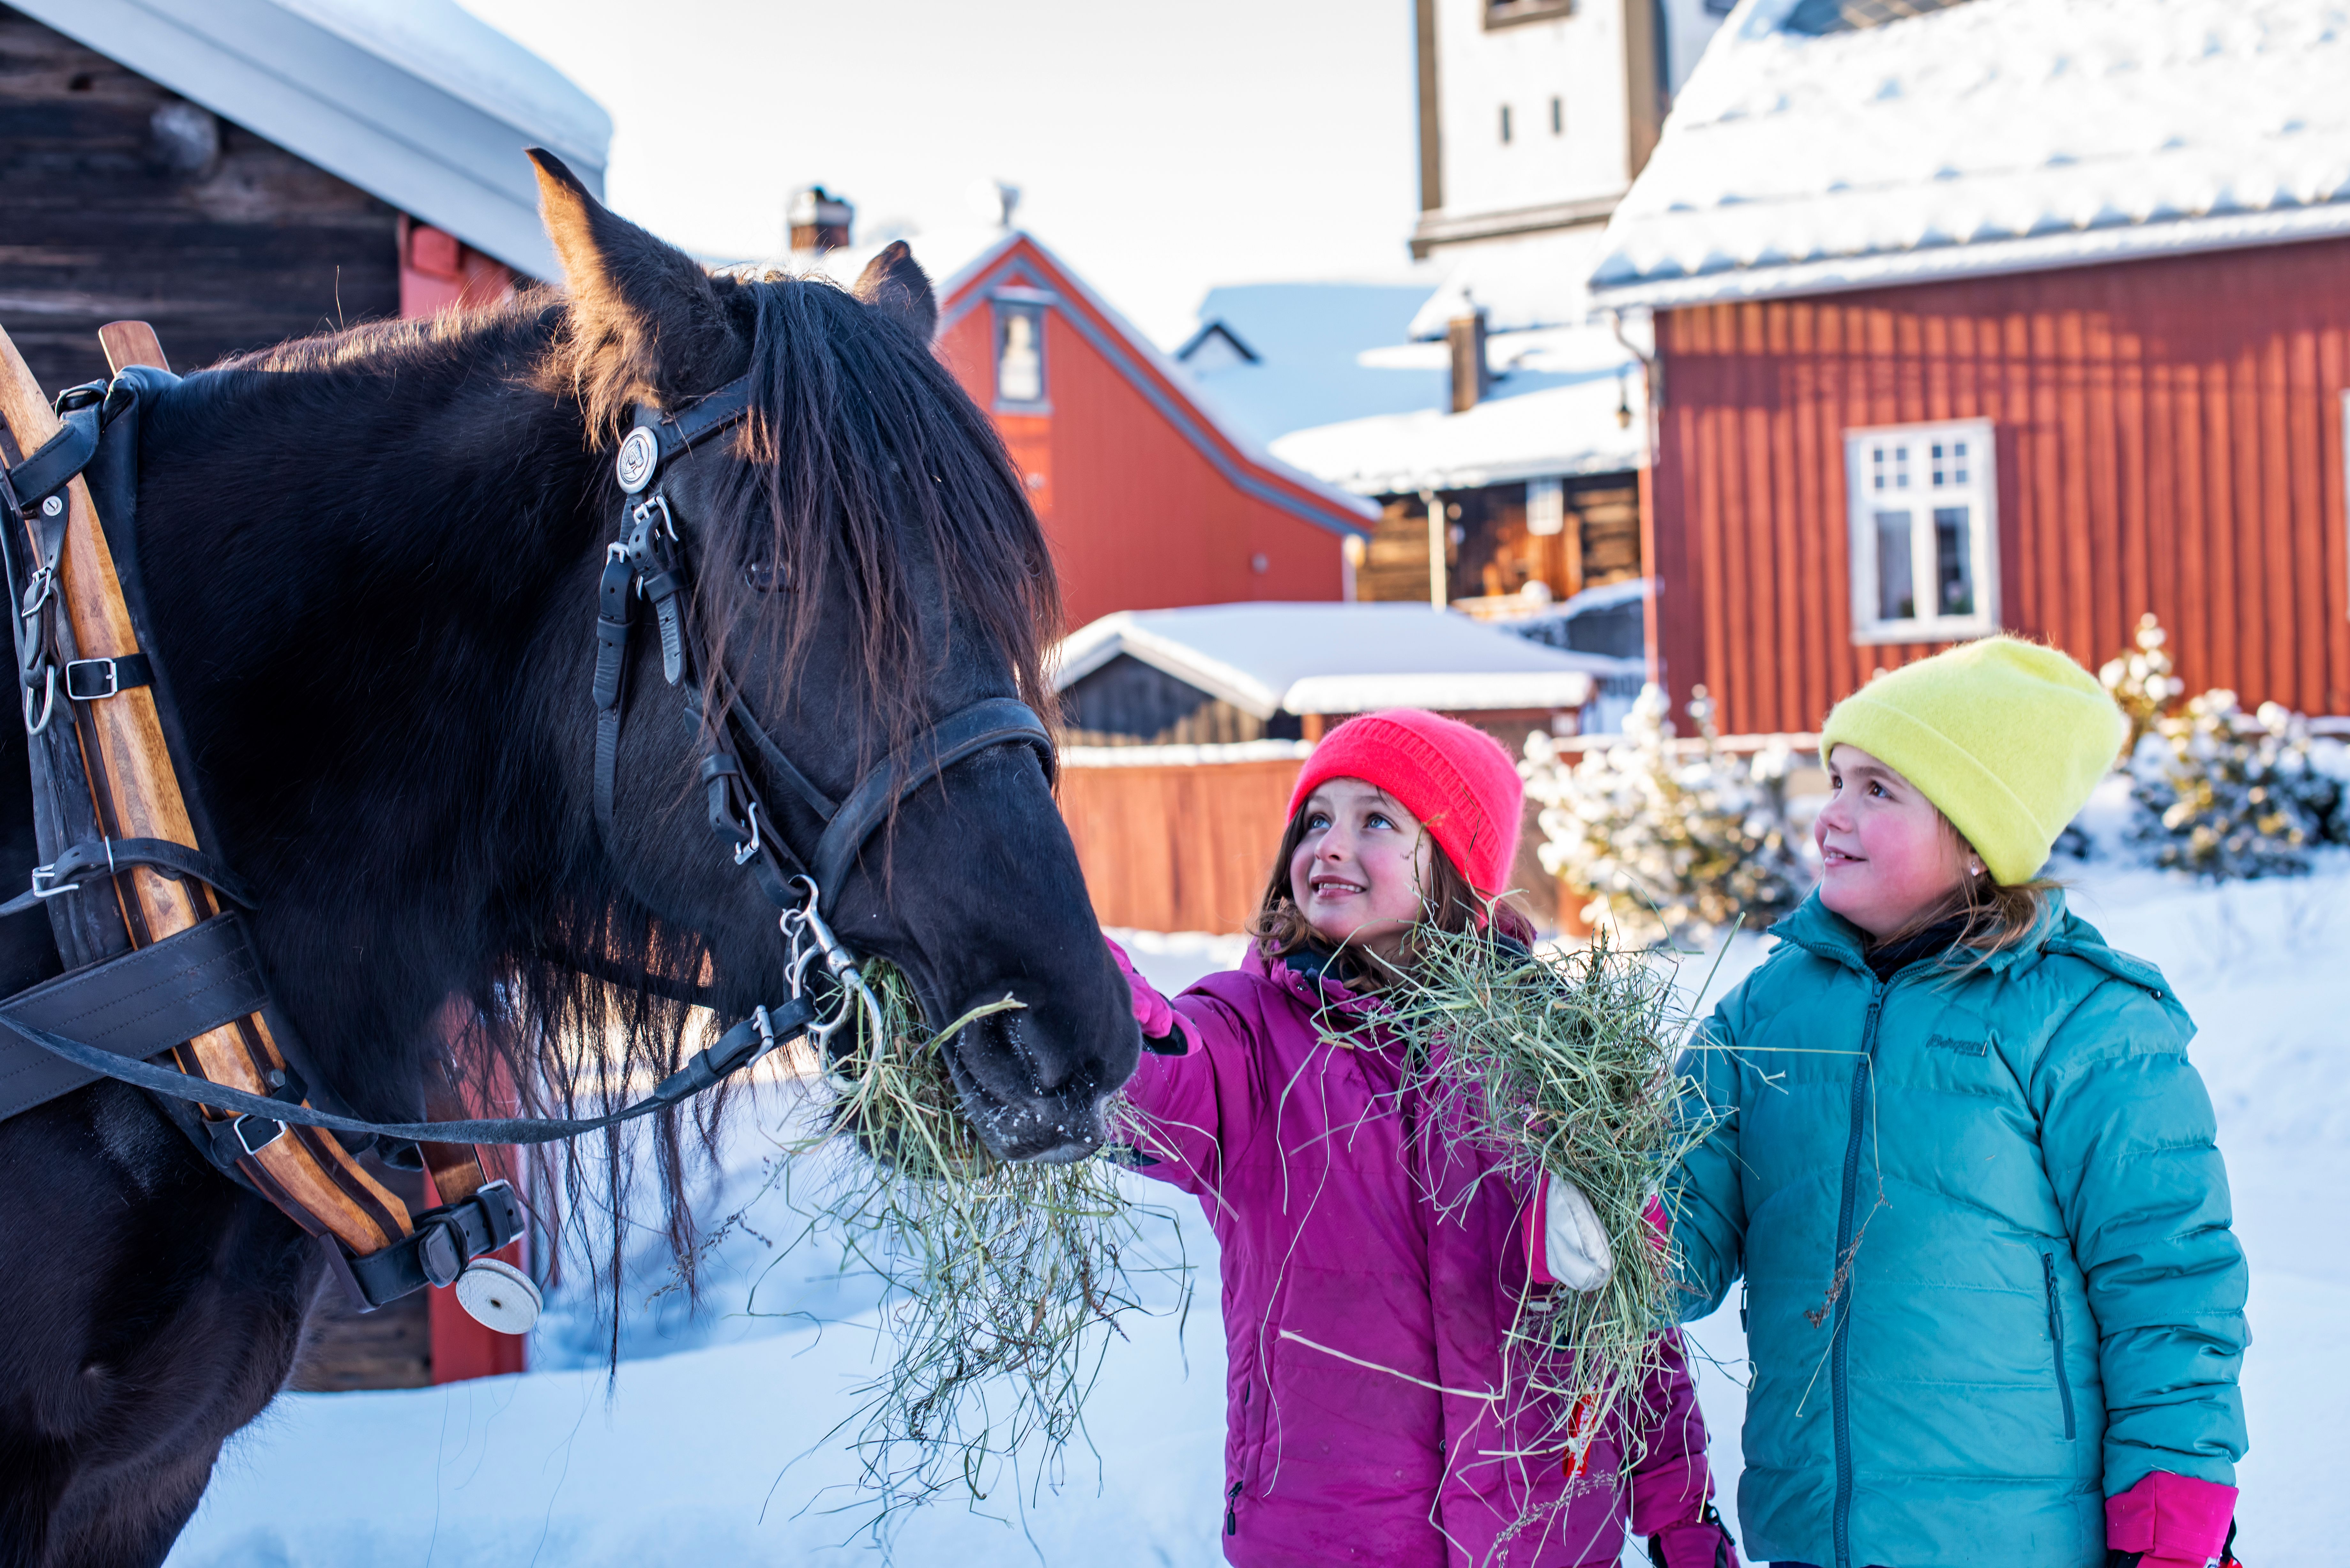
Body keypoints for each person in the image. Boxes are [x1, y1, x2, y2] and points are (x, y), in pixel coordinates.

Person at [1110, 708, 1737, 1568]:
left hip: (1546, 1540)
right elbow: (1156, 1084)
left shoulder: (1559, 1054)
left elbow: (1629, 1322)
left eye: (1376, 820)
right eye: (1315, 821)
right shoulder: (1251, 1038)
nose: (1329, 845)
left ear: (1454, 866)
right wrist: (1089, 1010)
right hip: (1334, 1539)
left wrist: (1681, 1511)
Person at [1669, 638, 2249, 1568]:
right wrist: (1591, 1203)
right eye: (1836, 780)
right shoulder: (1763, 1013)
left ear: (1977, 839)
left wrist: (2173, 1510)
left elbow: (2169, 1280)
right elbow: (1678, 1256)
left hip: (2021, 1541)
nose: (1832, 815)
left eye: (1878, 790)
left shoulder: (2084, 1019)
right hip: (1815, 1534)